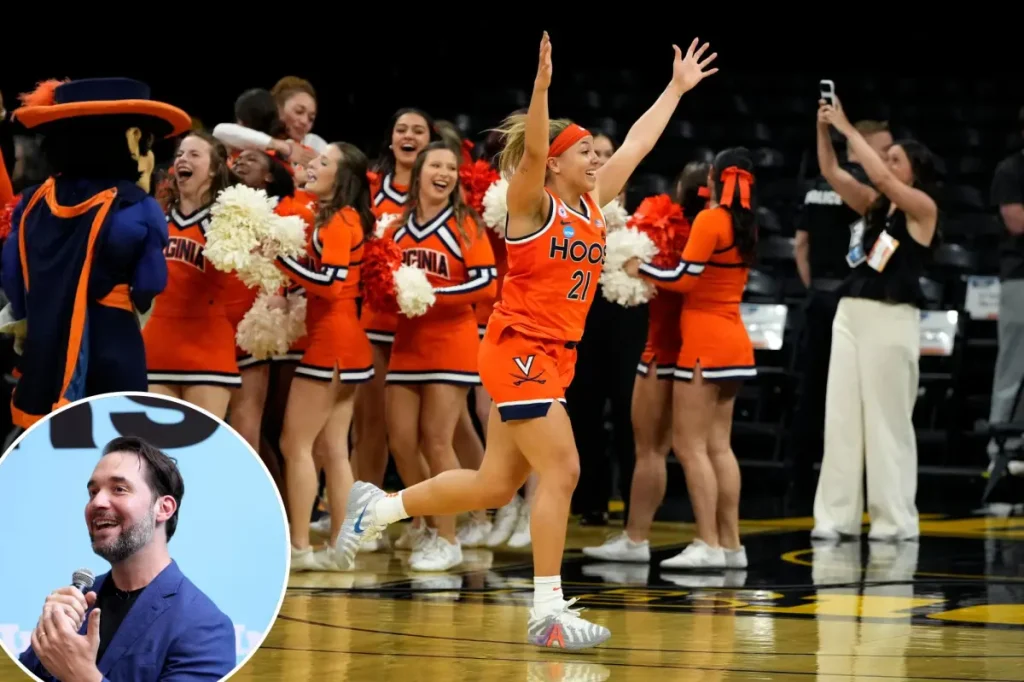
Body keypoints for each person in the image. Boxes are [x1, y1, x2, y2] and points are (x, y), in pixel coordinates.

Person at [334, 31, 718, 649]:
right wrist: (540, 91)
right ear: (559, 161)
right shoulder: (530, 203)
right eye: (585, 152)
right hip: (517, 349)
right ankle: (548, 612)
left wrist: (674, 88)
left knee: (494, 485)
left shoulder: (594, 205)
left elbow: (643, 142)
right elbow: (535, 151)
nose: (597, 160)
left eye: (598, 153)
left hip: (553, 359)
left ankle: (376, 508)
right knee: (564, 468)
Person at [811, 95, 940, 541]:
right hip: (851, 313)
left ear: (914, 172)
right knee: (841, 418)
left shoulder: (922, 209)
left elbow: (881, 177)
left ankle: (895, 520)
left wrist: (847, 126)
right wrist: (823, 128)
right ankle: (834, 517)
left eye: (895, 159)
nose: (885, 164)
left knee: (887, 421)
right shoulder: (872, 205)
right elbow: (831, 173)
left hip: (893, 317)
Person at [629, 148, 758, 568]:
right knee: (720, 447)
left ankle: (708, 544)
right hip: (736, 342)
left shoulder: (710, 219)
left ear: (716, 181)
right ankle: (732, 544)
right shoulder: (746, 222)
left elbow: (684, 279)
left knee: (690, 446)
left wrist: (641, 269)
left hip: (704, 343)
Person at [19, 436, 235, 682]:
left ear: (163, 508)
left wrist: (83, 677)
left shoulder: (204, 626)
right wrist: (46, 641)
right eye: (92, 492)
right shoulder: (78, 601)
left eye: (119, 489)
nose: (97, 502)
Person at [791, 120, 893, 487]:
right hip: (853, 299)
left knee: (812, 389)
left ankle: (800, 476)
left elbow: (800, 245)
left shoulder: (817, 185)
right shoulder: (870, 189)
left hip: (818, 296)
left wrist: (813, 288)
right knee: (854, 393)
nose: (886, 160)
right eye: (883, 152)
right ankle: (854, 480)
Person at [988, 106, 1024, 453]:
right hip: (1020, 279)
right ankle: (1000, 452)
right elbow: (1016, 220)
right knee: (1013, 367)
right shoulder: (1011, 169)